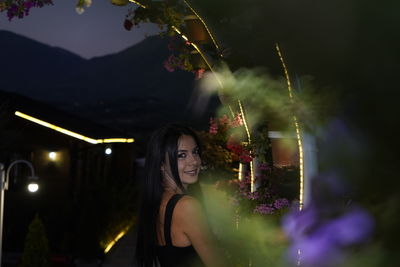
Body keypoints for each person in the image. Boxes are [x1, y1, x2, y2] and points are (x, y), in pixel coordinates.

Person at [135, 124, 226, 267]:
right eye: (181, 155)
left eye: (195, 152)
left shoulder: (160, 201)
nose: (194, 161)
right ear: (161, 164)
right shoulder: (186, 206)